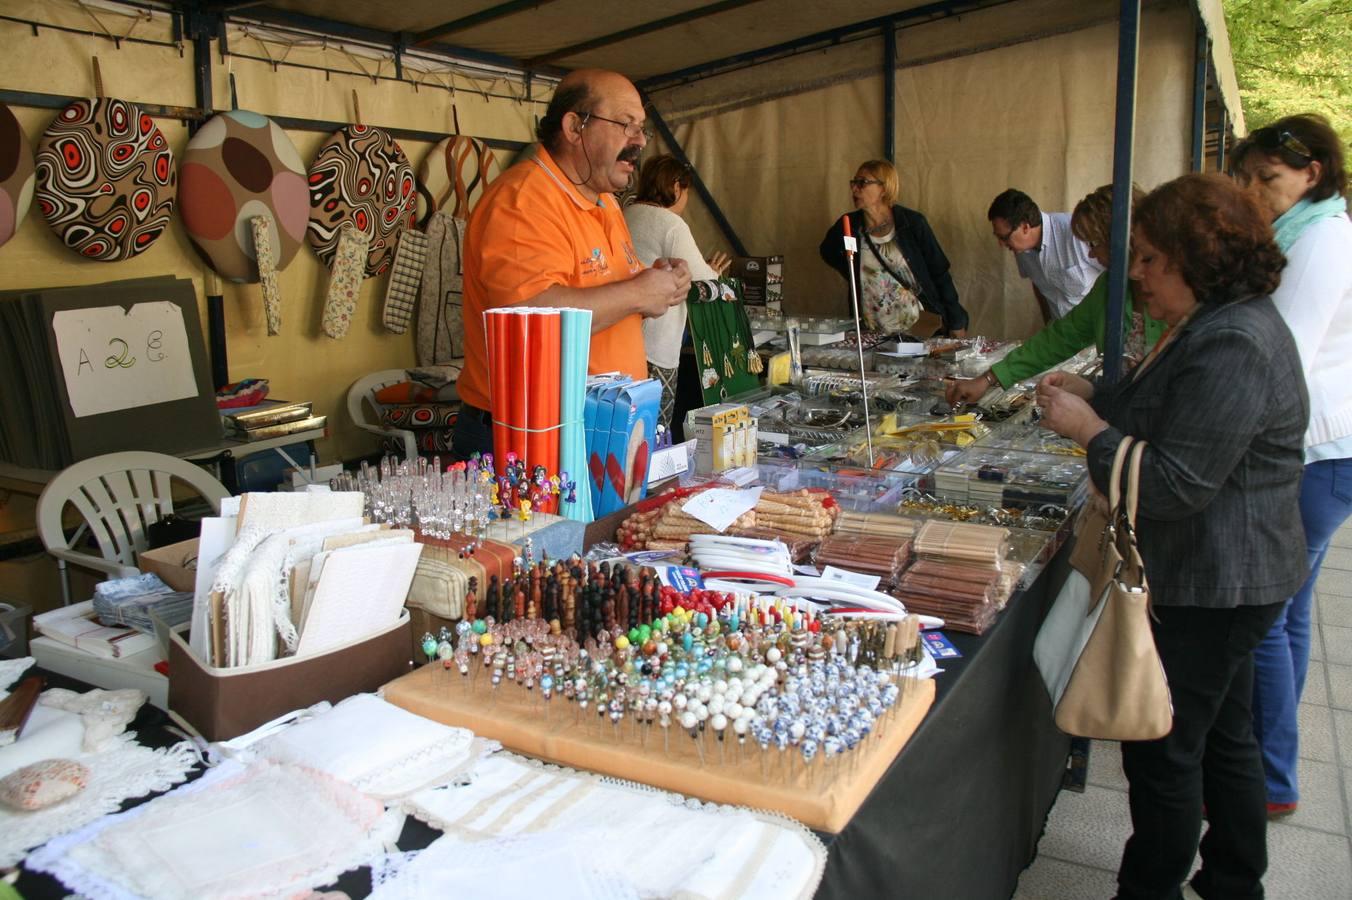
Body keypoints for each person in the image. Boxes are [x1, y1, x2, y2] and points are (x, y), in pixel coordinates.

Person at [1036, 174, 1308, 900]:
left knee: (1166, 753)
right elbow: (1162, 404)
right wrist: (1097, 394)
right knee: (1226, 737)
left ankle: (1150, 888)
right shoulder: (1214, 323)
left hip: (1216, 579)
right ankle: (1232, 880)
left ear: (1197, 257)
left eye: (1151, 258)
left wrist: (1089, 431)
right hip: (1231, 574)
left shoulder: (1236, 341)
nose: (1137, 273)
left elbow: (1177, 482)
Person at [451, 69, 692, 459]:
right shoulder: (525, 200)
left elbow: (609, 301)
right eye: (625, 125)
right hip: (531, 439)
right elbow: (527, 317)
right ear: (574, 126)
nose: (640, 141)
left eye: (642, 128)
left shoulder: (606, 202)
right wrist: (637, 292)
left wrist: (656, 286)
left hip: (596, 429)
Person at [1233, 113, 1352, 819]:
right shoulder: (1311, 233)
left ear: (1313, 175)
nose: (1256, 192)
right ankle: (1274, 758)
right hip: (1325, 449)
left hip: (1315, 452)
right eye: (1248, 178)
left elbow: (1285, 362)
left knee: (1267, 618)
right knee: (1291, 612)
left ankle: (1271, 778)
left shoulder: (1322, 241)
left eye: (1268, 179)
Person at [946, 183, 1165, 403]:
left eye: (1094, 242)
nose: (1090, 252)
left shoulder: (1173, 295)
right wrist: (988, 378)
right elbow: (1061, 337)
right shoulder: (1109, 287)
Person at [623, 154, 729, 432]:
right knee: (654, 431)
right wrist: (712, 270)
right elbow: (705, 281)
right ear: (676, 186)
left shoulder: (626, 213)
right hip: (657, 344)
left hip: (624, 339)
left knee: (627, 430)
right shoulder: (669, 223)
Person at [819, 159, 968, 336]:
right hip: (872, 331)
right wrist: (855, 273)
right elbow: (827, 251)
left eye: (862, 183)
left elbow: (940, 272)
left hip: (920, 327)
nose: (854, 189)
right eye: (854, 182)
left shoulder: (912, 223)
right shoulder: (849, 225)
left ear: (884, 188)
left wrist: (957, 321)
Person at [988, 187, 1103, 322]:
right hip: (1060, 332)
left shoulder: (1075, 232)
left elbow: (1114, 279)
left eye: (1004, 237)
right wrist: (1048, 322)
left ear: (1025, 227)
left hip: (1095, 334)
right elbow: (1039, 285)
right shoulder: (1020, 249)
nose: (1001, 244)